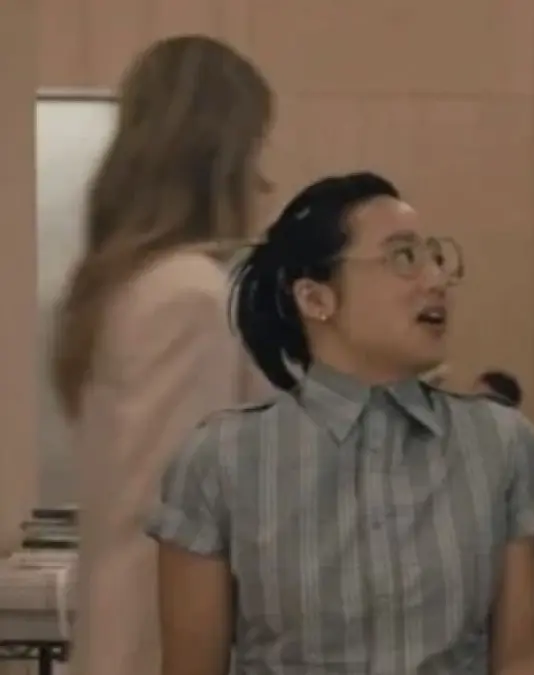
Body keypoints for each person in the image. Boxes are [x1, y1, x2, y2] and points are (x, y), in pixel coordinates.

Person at [146, 172, 534, 675]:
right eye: (403, 257)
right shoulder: (221, 461)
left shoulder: (502, 444)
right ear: (315, 299)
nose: (436, 280)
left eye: (436, 257)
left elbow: (522, 660)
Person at [50, 35, 273, 675]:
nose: (263, 180)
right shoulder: (189, 298)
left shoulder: (123, 289)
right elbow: (174, 535)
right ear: (220, 159)